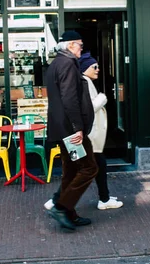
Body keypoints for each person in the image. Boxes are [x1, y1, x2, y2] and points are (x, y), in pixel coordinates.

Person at [45, 52, 123, 211]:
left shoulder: (85, 81)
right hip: (87, 136)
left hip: (87, 136)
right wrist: (102, 99)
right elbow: (86, 109)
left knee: (90, 166)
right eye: (94, 66)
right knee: (82, 169)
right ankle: (58, 202)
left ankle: (103, 197)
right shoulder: (84, 82)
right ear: (85, 67)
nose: (98, 69)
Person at [45, 31, 98, 231]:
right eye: (79, 45)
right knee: (88, 168)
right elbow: (69, 99)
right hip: (71, 132)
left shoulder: (56, 64)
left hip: (62, 129)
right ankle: (61, 206)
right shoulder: (67, 64)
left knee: (72, 169)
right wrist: (78, 128)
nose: (81, 49)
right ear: (69, 46)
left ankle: (69, 212)